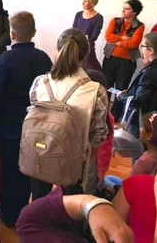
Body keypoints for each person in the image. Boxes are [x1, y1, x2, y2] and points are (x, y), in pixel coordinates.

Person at [17, 134, 157, 243]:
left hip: (44, 156)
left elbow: (28, 222)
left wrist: (89, 204)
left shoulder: (140, 183)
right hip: (82, 167)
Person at [0, 12, 53, 227]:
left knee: (10, 172)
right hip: (38, 127)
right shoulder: (44, 59)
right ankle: (29, 211)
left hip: (9, 130)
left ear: (11, 34)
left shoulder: (5, 60)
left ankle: (11, 215)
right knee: (31, 171)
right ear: (34, 32)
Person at [28, 28, 108, 200]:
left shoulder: (39, 83)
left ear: (58, 50)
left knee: (39, 202)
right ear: (86, 54)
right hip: (74, 163)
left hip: (39, 153)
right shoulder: (96, 91)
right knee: (71, 210)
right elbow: (97, 137)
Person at [116, 32, 157, 141]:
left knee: (138, 152)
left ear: (151, 50)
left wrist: (122, 96)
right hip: (156, 119)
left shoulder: (150, 72)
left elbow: (138, 101)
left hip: (142, 121)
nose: (141, 50)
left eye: (143, 46)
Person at [102, 0, 145, 121]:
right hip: (110, 58)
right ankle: (102, 113)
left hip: (127, 62)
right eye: (123, 7)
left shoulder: (140, 26)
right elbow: (108, 37)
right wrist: (123, 38)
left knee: (121, 88)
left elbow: (134, 43)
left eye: (127, 9)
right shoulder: (114, 21)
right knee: (106, 86)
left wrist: (117, 42)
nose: (123, 10)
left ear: (134, 12)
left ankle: (115, 116)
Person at [72, 0, 104, 70]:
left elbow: (94, 36)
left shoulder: (99, 17)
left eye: (85, 1)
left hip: (88, 47)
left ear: (92, 3)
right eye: (83, 0)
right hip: (75, 45)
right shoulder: (78, 14)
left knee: (92, 68)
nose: (82, 3)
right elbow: (73, 30)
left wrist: (81, 40)